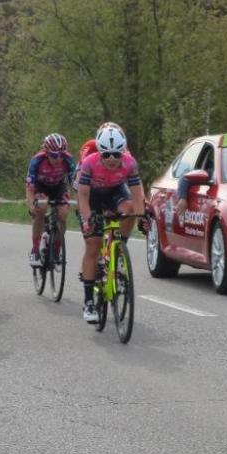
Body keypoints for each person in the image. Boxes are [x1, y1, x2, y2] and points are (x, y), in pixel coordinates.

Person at [76, 126, 144, 323]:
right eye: (107, 154)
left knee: (130, 208)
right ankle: (89, 302)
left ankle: (119, 245)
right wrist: (89, 218)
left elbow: (137, 193)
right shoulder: (89, 163)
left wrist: (142, 216)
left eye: (117, 154)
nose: (112, 159)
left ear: (123, 152)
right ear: (100, 152)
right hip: (92, 197)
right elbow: (82, 195)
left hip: (115, 191)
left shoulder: (130, 163)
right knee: (93, 244)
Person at [25, 133, 75, 266]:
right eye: (54, 155)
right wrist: (31, 205)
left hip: (59, 186)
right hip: (41, 187)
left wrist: (80, 201)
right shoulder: (37, 161)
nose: (58, 158)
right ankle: (35, 250)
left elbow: (76, 184)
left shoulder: (68, 160)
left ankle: (57, 249)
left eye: (61, 154)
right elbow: (29, 186)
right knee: (40, 209)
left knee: (63, 215)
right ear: (46, 152)